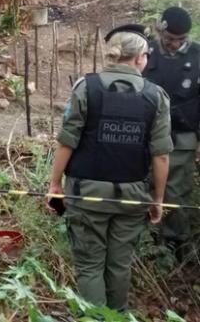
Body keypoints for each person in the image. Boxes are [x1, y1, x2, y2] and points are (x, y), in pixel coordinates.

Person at [48, 24, 171, 311]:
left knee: (90, 266)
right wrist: (158, 199)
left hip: (85, 194)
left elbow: (67, 141)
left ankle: (94, 319)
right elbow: (161, 156)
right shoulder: (156, 96)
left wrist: (54, 185)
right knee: (119, 266)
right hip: (132, 197)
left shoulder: (85, 88)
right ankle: (116, 317)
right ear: (140, 57)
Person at [143, 7, 198, 258]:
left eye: (180, 40)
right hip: (146, 134)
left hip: (183, 136)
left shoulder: (198, 56)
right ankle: (147, 237)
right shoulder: (145, 53)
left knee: (176, 191)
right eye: (169, 39)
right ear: (159, 31)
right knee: (145, 185)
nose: (175, 45)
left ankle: (177, 242)